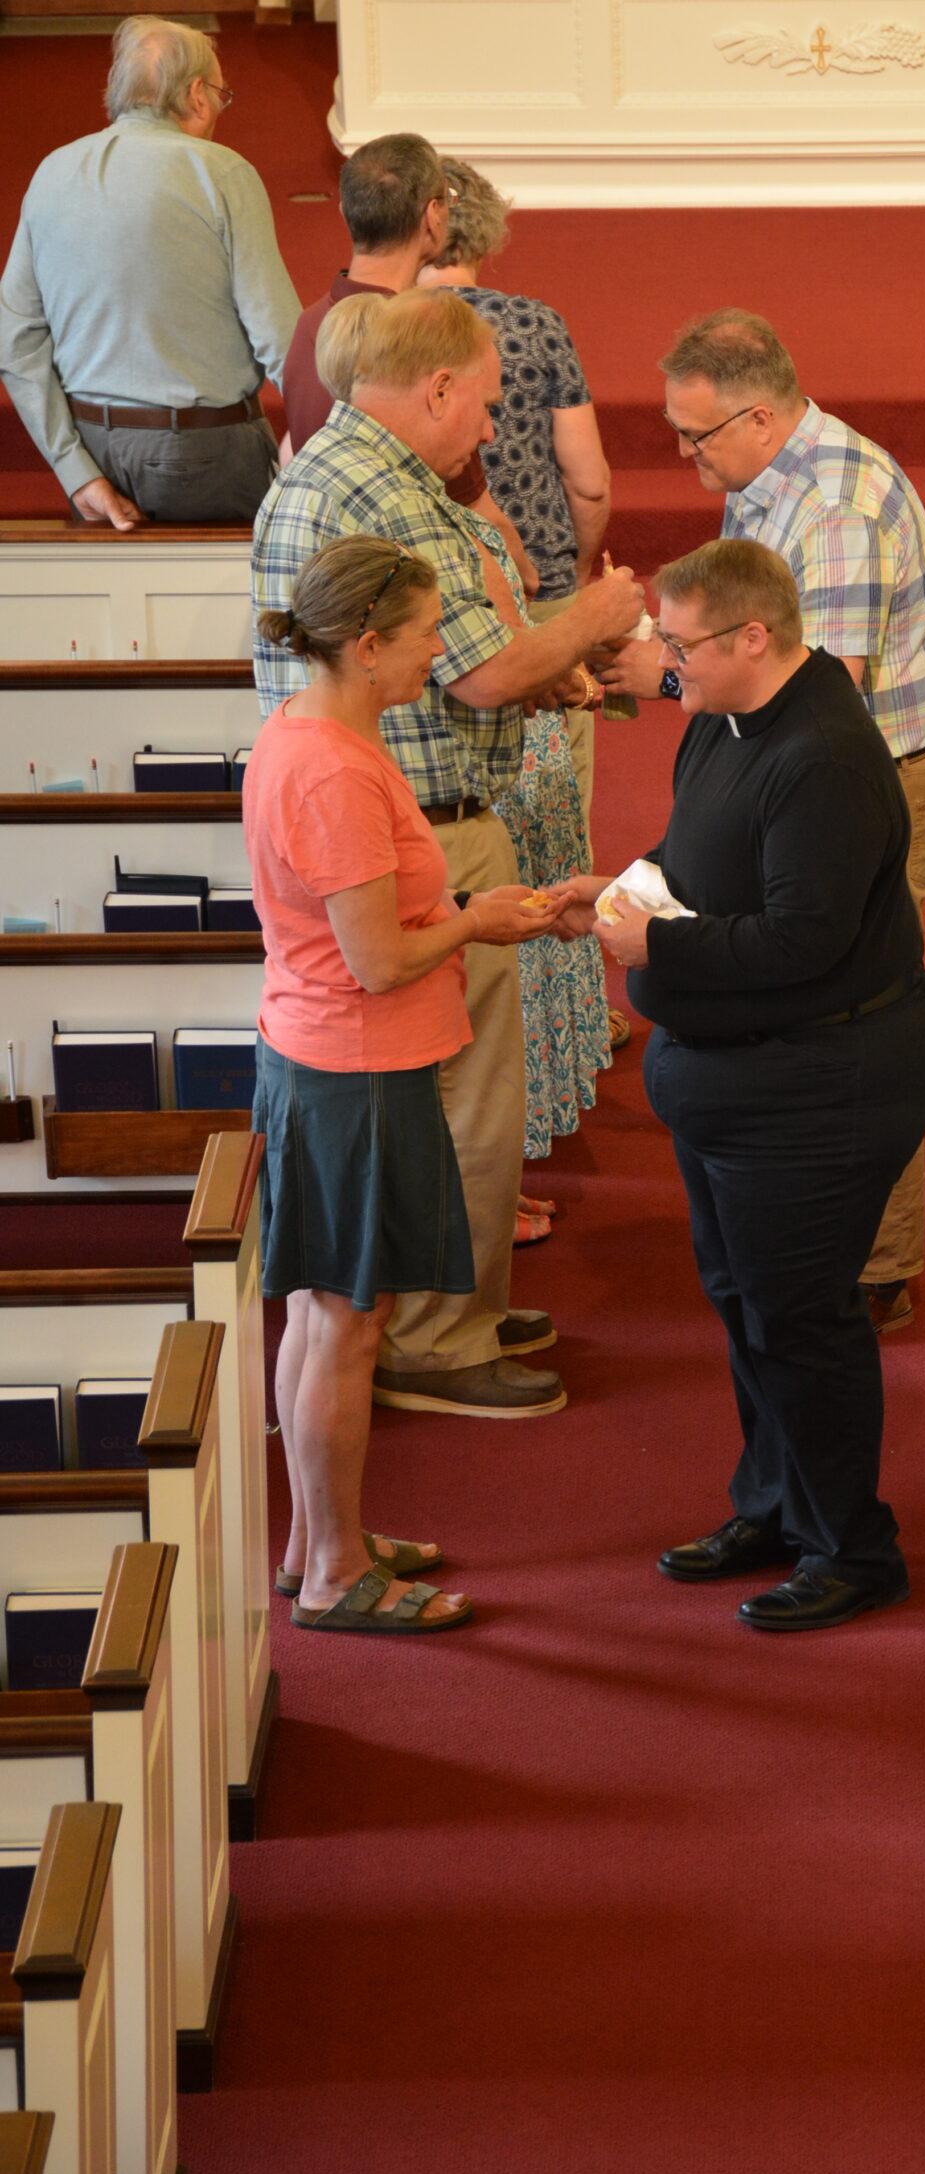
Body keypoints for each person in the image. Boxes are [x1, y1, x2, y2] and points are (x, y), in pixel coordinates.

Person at [252, 289, 645, 1417]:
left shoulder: (338, 464)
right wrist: (594, 614)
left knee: (457, 1096)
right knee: (469, 1099)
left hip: (392, 818)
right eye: (480, 403)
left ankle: (446, 1302)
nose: (486, 428)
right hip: (419, 827)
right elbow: (478, 671)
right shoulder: (381, 487)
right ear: (431, 388)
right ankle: (438, 1332)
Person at [563, 539, 925, 1633]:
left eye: (679, 646)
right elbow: (701, 856)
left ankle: (852, 1548)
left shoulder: (821, 753)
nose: (664, 667)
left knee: (801, 1315)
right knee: (746, 1303)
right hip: (741, 1078)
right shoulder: (724, 721)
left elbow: (803, 942)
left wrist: (654, 951)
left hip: (822, 1076)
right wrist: (623, 889)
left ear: (753, 636)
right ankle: (777, 1504)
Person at [595, 309, 925, 1337]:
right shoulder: (768, 483)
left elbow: (816, 693)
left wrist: (667, 677)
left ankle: (869, 1266)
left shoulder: (835, 508)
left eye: (695, 435)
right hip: (800, 790)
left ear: (759, 416)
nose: (681, 453)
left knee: (848, 1008)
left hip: (865, 790)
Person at [247, 534, 571, 1632]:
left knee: (316, 1316)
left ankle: (314, 1540)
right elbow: (378, 960)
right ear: (369, 639)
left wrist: (480, 913)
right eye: (430, 631)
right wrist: (477, 921)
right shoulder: (332, 766)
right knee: (346, 1323)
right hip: (356, 1068)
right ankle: (336, 1571)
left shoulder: (315, 730)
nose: (443, 651)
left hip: (324, 1052)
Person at [417, 156, 623, 1073]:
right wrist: (572, 581)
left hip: (429, 628)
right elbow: (588, 477)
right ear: (486, 230)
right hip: (536, 607)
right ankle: (563, 1045)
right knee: (548, 827)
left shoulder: (390, 334)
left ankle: (500, 1050)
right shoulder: (534, 325)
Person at [0, 14, 298, 529]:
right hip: (208, 453)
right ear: (198, 93)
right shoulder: (220, 171)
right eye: (222, 96)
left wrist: (77, 472)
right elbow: (278, 336)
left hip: (93, 449)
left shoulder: (51, 173)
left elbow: (15, 338)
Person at [280, 132, 448, 455]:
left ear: (344, 213)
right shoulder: (426, 332)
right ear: (433, 216)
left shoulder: (307, 326)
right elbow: (464, 494)